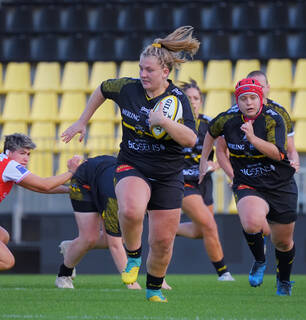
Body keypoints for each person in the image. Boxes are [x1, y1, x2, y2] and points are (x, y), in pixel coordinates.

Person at [61, 26, 199, 302]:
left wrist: (165, 122)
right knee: (132, 209)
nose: (143, 75)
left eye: (149, 70)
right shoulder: (128, 88)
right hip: (132, 165)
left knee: (161, 243)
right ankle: (133, 256)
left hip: (168, 175)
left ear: (165, 73)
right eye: (141, 69)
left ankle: (154, 289)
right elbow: (101, 89)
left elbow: (191, 138)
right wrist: (81, 121)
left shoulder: (177, 100)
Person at [199, 78, 298, 296]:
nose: (249, 102)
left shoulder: (274, 117)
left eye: (253, 97)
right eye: (243, 98)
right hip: (248, 181)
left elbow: (278, 153)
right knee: (252, 222)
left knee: (282, 241)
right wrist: (203, 160)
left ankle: (284, 280)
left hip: (280, 183)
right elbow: (210, 133)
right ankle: (260, 260)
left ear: (261, 98)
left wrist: (252, 138)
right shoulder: (228, 118)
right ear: (238, 100)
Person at [55, 155, 171, 290]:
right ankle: (64, 274)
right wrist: (131, 283)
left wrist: (158, 278)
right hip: (85, 181)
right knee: (89, 238)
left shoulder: (153, 189)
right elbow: (114, 245)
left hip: (104, 175)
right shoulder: (114, 198)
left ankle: (73, 246)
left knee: (120, 238)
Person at [176, 80, 234, 281]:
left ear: (201, 101)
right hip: (182, 182)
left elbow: (224, 152)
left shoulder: (210, 123)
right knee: (210, 225)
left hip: (204, 182)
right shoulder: (174, 124)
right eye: (188, 98)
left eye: (196, 98)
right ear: (180, 100)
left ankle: (166, 226)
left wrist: (217, 165)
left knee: (201, 230)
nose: (192, 102)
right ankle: (223, 273)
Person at [0, 133, 81, 271]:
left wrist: (70, 190)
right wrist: (71, 173)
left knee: (3, 236)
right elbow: (44, 185)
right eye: (22, 153)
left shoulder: (6, 165)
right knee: (7, 262)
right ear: (9, 152)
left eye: (28, 154)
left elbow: (41, 188)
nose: (26, 159)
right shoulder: (9, 166)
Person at [216, 70, 300, 181]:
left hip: (276, 177)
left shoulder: (280, 113)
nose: (257, 89)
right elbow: (220, 150)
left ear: (268, 87)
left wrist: (294, 162)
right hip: (247, 177)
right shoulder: (232, 115)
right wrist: (234, 177)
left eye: (261, 86)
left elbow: (291, 150)